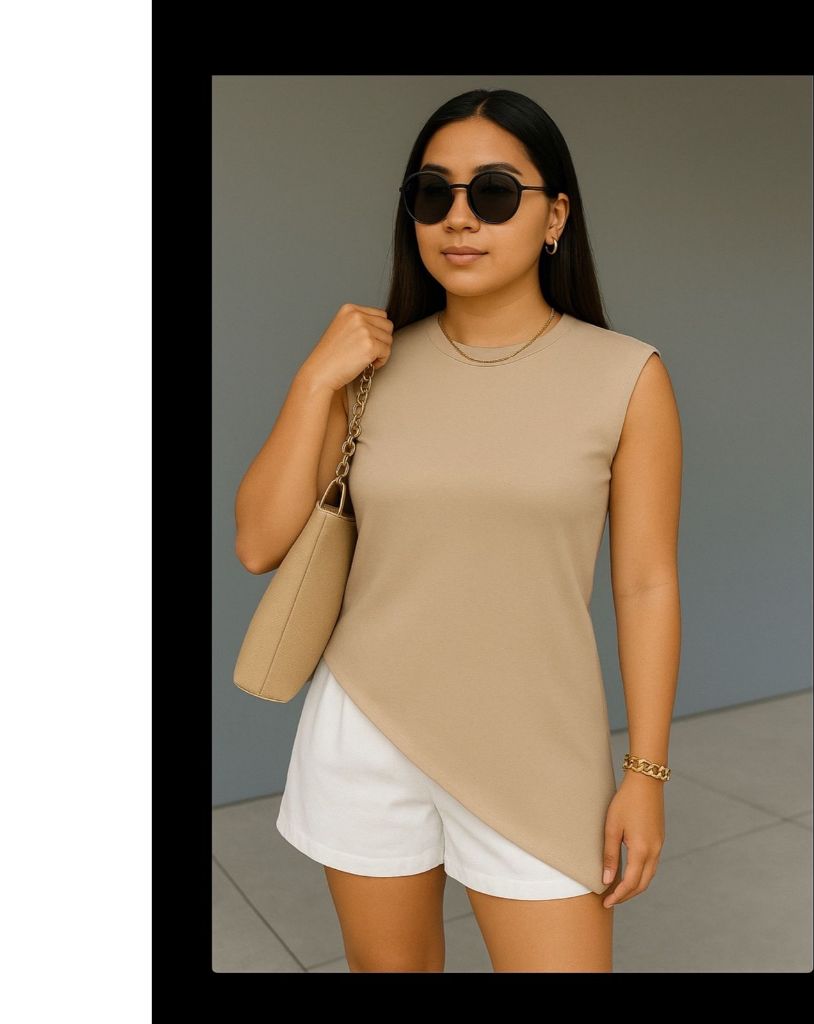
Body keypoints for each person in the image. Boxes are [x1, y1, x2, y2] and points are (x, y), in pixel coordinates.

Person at [234, 88, 682, 973]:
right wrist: (313, 381)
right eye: (433, 194)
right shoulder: (369, 371)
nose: (459, 218)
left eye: (495, 192)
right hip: (366, 728)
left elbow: (645, 584)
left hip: (539, 743)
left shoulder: (627, 376)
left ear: (555, 215)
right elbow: (258, 544)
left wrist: (647, 772)